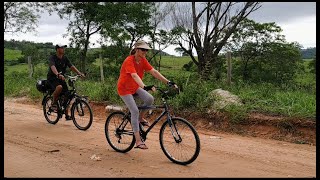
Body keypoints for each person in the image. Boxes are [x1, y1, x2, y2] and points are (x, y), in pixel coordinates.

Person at [117, 40, 178, 149]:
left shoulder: (143, 60)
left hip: (135, 87)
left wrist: (168, 82)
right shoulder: (129, 60)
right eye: (143, 49)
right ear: (136, 49)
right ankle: (138, 141)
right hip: (124, 89)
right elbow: (135, 76)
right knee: (134, 111)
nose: (145, 51)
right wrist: (144, 87)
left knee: (150, 99)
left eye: (146, 50)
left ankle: (140, 119)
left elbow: (153, 71)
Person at [47, 43, 85, 120]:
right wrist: (57, 74)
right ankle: (53, 103)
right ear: (57, 49)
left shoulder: (65, 58)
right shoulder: (53, 58)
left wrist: (79, 73)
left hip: (62, 78)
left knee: (67, 95)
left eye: (64, 48)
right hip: (52, 79)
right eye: (62, 48)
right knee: (59, 87)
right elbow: (52, 66)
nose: (63, 49)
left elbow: (71, 66)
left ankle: (67, 115)